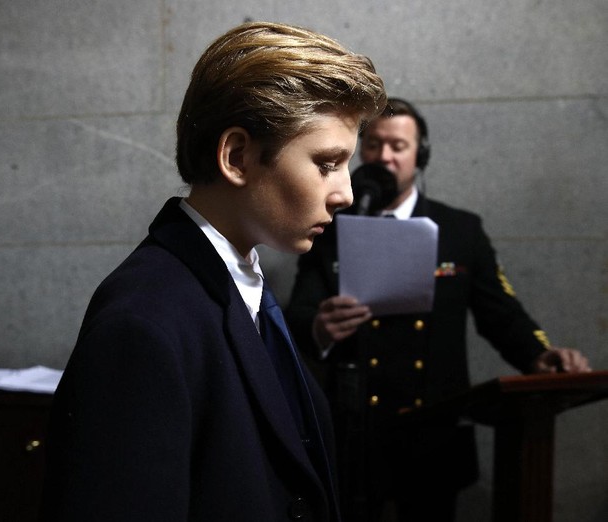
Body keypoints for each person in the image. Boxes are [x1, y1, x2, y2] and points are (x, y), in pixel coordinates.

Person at [38, 21, 386, 522]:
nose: (346, 194)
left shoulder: (241, 285)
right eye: (326, 164)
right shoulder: (143, 323)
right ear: (237, 156)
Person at [285, 97, 591, 522]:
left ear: (420, 155)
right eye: (373, 145)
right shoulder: (328, 227)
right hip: (357, 433)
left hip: (434, 433)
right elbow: (297, 314)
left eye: (398, 146)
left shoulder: (460, 230)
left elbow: (501, 312)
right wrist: (320, 327)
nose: (384, 156)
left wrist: (539, 355)